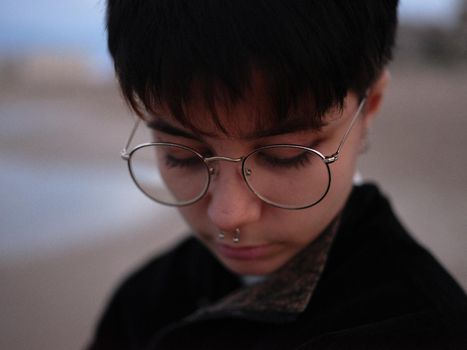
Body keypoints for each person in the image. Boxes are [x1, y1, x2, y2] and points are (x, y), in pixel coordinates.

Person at [88, 1, 467, 349]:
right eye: (180, 156)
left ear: (369, 110)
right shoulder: (139, 303)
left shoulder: (425, 330)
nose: (229, 215)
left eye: (285, 155)